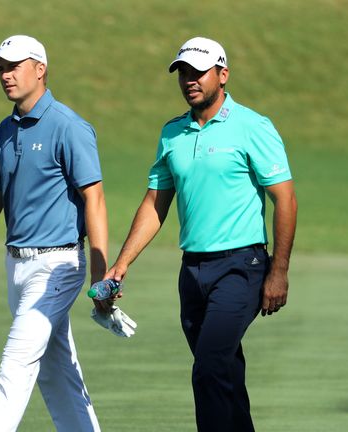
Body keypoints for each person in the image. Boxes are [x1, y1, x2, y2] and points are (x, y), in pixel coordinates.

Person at [104, 36, 298, 431]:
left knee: (208, 368)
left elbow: (286, 200)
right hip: (192, 272)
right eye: (183, 73)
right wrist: (120, 264)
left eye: (199, 72)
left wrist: (278, 272)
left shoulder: (252, 126)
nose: (189, 80)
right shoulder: (172, 133)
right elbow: (155, 203)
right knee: (225, 374)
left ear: (222, 75)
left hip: (242, 267)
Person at [0, 35, 107, 432]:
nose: (6, 75)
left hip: (58, 266)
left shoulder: (68, 126)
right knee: (57, 371)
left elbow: (94, 199)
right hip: (17, 266)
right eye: (1, 68)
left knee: (15, 365)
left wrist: (100, 275)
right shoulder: (4, 130)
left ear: (40, 69)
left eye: (14, 66)